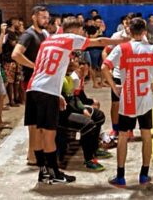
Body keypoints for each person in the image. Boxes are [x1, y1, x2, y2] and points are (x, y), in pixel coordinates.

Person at [25, 17, 128, 184]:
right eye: (81, 31)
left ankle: (43, 172)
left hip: (33, 88)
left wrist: (57, 94)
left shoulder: (48, 40)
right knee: (49, 135)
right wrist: (123, 40)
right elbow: (100, 41)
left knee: (38, 133)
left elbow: (41, 67)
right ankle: (55, 174)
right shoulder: (70, 38)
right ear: (74, 30)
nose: (83, 34)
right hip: (47, 92)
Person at [102, 18, 153, 187]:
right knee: (146, 135)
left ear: (129, 32)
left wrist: (114, 86)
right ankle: (143, 174)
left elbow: (105, 67)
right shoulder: (152, 49)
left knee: (122, 137)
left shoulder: (122, 48)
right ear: (144, 33)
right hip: (145, 97)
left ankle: (121, 176)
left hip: (128, 98)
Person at [12, 6, 50, 165]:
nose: (46, 20)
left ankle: (36, 153)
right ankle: (33, 155)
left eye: (47, 17)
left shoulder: (44, 34)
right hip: (32, 82)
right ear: (34, 17)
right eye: (43, 17)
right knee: (34, 121)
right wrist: (34, 66)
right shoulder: (28, 34)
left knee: (40, 121)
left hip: (42, 82)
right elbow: (16, 54)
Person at [101, 13, 139, 140]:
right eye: (127, 22)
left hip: (133, 76)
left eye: (131, 23)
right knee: (116, 104)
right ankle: (115, 128)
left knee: (132, 104)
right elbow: (105, 51)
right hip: (118, 74)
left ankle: (130, 129)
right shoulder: (117, 36)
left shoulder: (141, 38)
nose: (128, 25)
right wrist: (109, 67)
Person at [2, 17, 21, 107]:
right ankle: (11, 100)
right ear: (13, 22)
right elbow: (13, 44)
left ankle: (16, 98)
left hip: (16, 60)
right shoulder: (9, 33)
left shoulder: (15, 33)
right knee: (10, 81)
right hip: (9, 60)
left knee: (16, 81)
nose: (19, 23)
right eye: (17, 21)